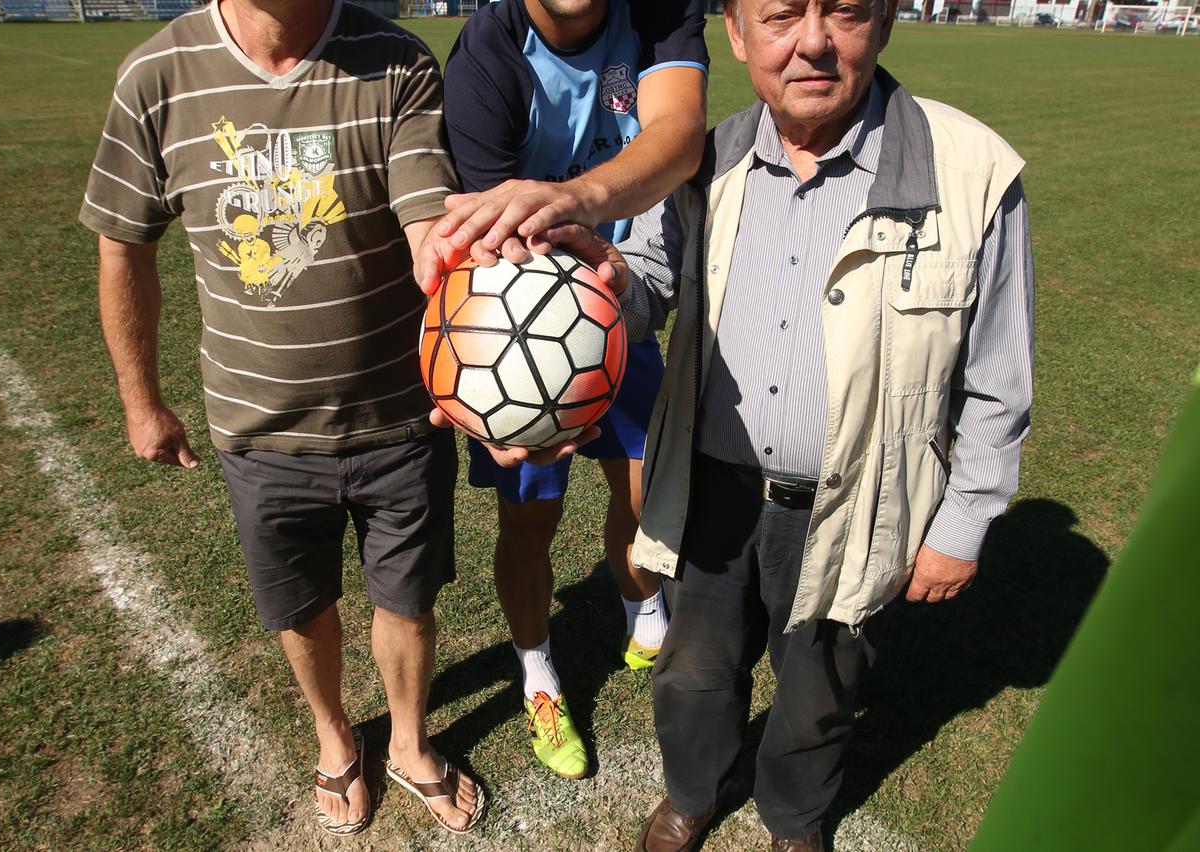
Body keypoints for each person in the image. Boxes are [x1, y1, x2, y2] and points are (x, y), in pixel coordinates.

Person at [537, 0, 1035, 845]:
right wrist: (600, 295)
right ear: (737, 37)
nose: (812, 42)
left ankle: (795, 816)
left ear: (881, 23)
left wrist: (965, 519)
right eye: (779, 17)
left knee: (820, 690)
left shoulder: (970, 169)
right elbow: (649, 283)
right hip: (710, 495)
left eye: (843, 13)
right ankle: (694, 791)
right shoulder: (702, 160)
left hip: (856, 507)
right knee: (693, 676)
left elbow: (998, 376)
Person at [79, 0, 483, 837]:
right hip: (259, 426)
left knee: (406, 600)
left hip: (400, 416)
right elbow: (124, 243)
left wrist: (463, 296)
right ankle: (335, 736)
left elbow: (424, 218)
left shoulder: (395, 62)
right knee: (299, 604)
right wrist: (139, 399)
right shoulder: (158, 74)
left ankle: (407, 743)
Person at [434, 0, 708, 781]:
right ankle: (538, 675)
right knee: (530, 519)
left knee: (644, 487)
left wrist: (581, 201)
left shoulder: (658, 12)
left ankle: (638, 604)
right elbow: (500, 245)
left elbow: (678, 135)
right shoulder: (489, 52)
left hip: (626, 306)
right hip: (522, 338)